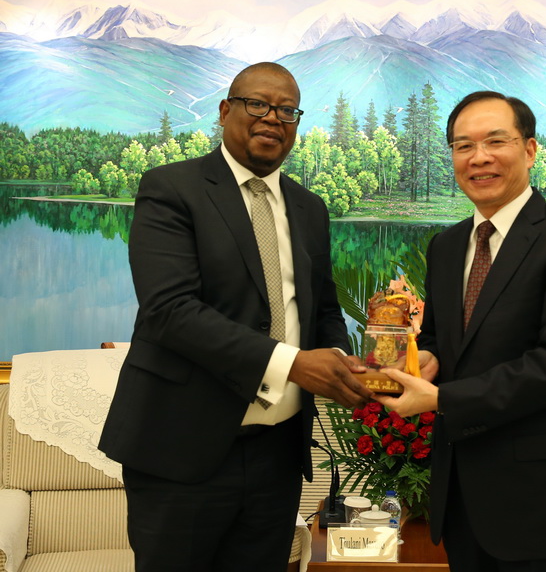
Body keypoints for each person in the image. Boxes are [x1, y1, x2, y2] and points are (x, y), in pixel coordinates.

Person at [99, 62, 374, 572]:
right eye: (258, 104)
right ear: (226, 111)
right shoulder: (171, 188)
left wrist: (338, 359)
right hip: (182, 448)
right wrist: (294, 364)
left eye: (287, 111)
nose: (272, 118)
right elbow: (169, 311)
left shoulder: (310, 208)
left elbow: (322, 306)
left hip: (278, 454)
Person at [377, 91, 546, 572]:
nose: (478, 157)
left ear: (529, 150)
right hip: (461, 498)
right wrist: (425, 362)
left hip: (543, 501)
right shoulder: (446, 246)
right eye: (463, 146)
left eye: (495, 141)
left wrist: (442, 399)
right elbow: (442, 340)